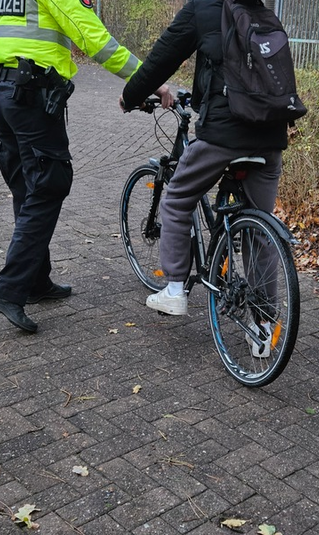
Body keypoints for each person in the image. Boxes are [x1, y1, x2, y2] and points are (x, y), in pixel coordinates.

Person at [0, 0, 172, 332]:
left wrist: (10, 63)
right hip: (33, 98)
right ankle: (9, 290)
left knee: (27, 187)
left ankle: (36, 281)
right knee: (50, 184)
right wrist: (148, 80)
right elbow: (94, 39)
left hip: (3, 96)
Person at [120, 0, 289, 354]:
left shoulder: (203, 7)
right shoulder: (261, 10)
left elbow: (161, 59)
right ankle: (262, 328)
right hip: (271, 136)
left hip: (224, 134)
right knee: (261, 228)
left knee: (178, 197)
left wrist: (130, 95)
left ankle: (175, 290)